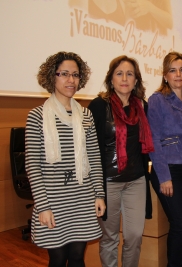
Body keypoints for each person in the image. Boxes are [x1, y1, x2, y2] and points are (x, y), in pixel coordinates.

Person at [25, 51, 106, 267]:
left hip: (82, 197)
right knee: (58, 259)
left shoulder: (86, 115)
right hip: (53, 200)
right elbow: (32, 166)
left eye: (76, 75)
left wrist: (98, 194)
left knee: (78, 257)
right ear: (52, 76)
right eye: (64, 74)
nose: (71, 80)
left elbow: (95, 159)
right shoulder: (36, 116)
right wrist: (42, 206)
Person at [88, 55, 154, 267]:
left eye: (130, 74)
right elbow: (90, 147)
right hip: (108, 183)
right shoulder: (99, 106)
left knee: (134, 236)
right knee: (109, 238)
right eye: (119, 73)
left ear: (136, 80)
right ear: (111, 79)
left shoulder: (142, 106)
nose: (124, 78)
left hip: (136, 180)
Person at [147, 51, 182, 267]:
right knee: (180, 223)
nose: (178, 74)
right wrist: (164, 177)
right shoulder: (157, 100)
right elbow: (153, 139)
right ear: (165, 75)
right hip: (168, 170)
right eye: (172, 70)